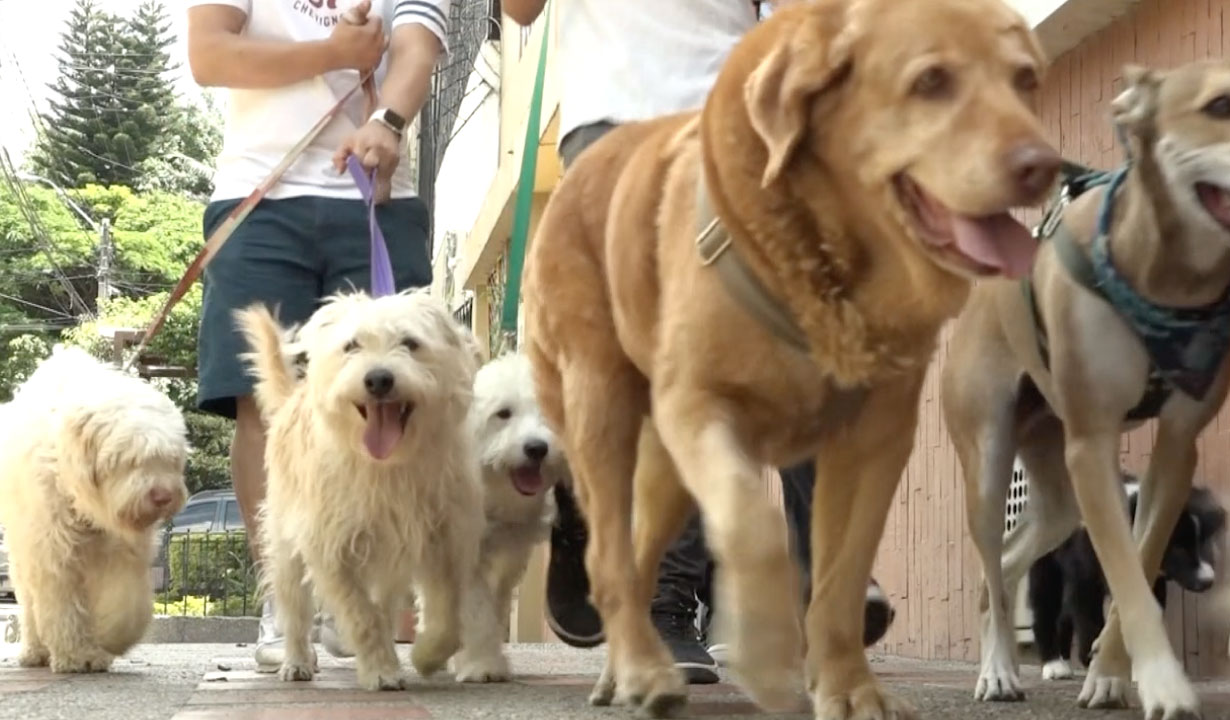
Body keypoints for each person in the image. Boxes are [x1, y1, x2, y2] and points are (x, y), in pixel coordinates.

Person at [501, 0, 902, 685]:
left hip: (733, 117)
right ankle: (662, 601)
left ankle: (826, 580)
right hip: (614, 123)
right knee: (657, 365)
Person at [186, 0, 450, 672]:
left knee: (399, 401)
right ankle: (289, 599)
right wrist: (334, 54)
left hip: (377, 195)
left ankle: (367, 594)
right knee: (265, 403)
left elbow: (416, 48)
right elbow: (209, 55)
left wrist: (389, 121)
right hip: (257, 193)